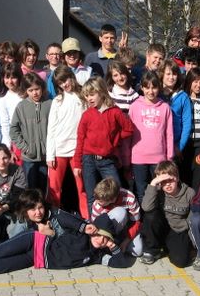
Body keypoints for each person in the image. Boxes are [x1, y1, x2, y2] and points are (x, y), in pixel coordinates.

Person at [0, 212, 132, 274]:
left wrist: (113, 247)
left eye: (106, 239)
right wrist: (83, 226)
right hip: (33, 241)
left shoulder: (96, 256)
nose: (101, 240)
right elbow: (60, 217)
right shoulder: (80, 232)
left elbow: (121, 263)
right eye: (99, 235)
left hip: (34, 259)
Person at [73, 76, 134, 217]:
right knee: (91, 196)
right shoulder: (87, 115)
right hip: (88, 160)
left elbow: (129, 129)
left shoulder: (114, 111)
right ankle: (94, 225)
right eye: (86, 95)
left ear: (101, 92)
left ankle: (118, 221)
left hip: (107, 160)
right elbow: (80, 139)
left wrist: (114, 140)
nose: (89, 98)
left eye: (92, 94)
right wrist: (77, 164)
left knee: (116, 191)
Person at [46, 67, 87, 215]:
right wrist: (50, 155)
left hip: (78, 150)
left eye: (65, 80)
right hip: (59, 150)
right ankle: (54, 218)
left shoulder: (84, 97)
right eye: (60, 83)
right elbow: (51, 129)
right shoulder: (57, 101)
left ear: (71, 76)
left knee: (82, 188)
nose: (64, 84)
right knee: (54, 188)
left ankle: (87, 218)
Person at [128, 71, 174, 205]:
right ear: (142, 88)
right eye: (147, 87)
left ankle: (157, 217)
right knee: (141, 191)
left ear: (159, 87)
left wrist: (169, 156)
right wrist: (126, 156)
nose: (150, 91)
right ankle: (143, 217)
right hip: (138, 157)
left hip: (158, 158)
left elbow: (169, 133)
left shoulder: (165, 107)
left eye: (154, 87)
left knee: (158, 191)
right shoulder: (135, 106)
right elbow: (128, 134)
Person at [140, 161, 195, 267]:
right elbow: (146, 207)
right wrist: (153, 183)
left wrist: (191, 242)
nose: (168, 184)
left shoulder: (189, 193)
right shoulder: (157, 191)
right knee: (150, 216)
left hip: (177, 230)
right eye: (163, 181)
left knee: (181, 262)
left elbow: (192, 219)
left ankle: (167, 247)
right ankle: (152, 251)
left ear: (177, 178)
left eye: (170, 180)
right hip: (161, 227)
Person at [9, 73, 51, 192]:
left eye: (37, 89)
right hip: (29, 157)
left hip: (46, 156)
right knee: (30, 188)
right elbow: (13, 130)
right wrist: (25, 148)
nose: (34, 93)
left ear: (42, 87)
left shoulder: (50, 104)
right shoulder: (21, 107)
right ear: (25, 91)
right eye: (30, 90)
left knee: (44, 187)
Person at [90, 177, 143, 257]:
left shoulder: (129, 197)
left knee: (138, 251)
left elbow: (136, 222)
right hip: (107, 233)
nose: (97, 201)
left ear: (112, 199)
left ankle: (120, 245)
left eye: (100, 201)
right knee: (120, 213)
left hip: (127, 229)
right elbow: (96, 227)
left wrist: (126, 241)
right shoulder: (96, 204)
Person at [160, 60, 192, 160]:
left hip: (175, 146)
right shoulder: (155, 94)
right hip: (157, 145)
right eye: (168, 74)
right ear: (162, 74)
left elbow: (187, 124)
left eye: (174, 74)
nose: (171, 77)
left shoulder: (183, 97)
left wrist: (179, 146)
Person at [0, 62, 24, 148]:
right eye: (7, 77)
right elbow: (5, 124)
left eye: (13, 78)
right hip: (15, 141)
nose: (10, 81)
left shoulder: (26, 94)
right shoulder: (3, 99)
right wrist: (8, 145)